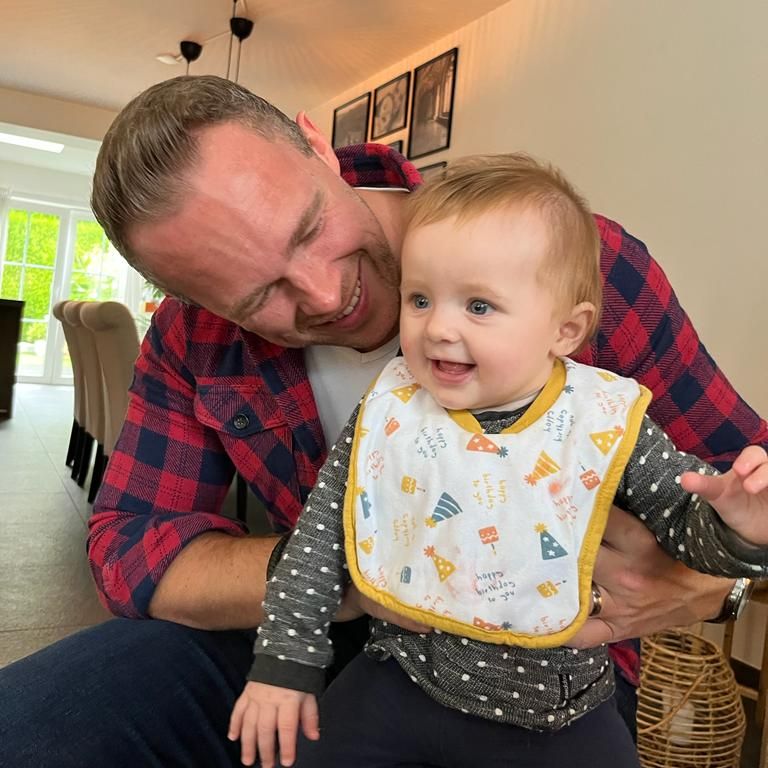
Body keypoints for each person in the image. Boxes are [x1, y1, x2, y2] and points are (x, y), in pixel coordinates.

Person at [0, 76, 765, 768]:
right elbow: (127, 546)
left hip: (550, 672)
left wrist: (710, 584)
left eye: (307, 231)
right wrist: (354, 576)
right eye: (258, 297)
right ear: (199, 305)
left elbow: (745, 485)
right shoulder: (192, 340)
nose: (324, 294)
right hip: (314, 639)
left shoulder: (565, 262)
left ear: (315, 147)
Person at [228, 154, 768, 768]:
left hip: (557, 717)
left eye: (478, 306)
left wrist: (739, 530)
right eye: (421, 299)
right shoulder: (393, 408)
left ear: (566, 330)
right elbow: (318, 539)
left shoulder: (600, 419)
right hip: (401, 678)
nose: (438, 329)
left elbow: (680, 528)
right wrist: (284, 662)